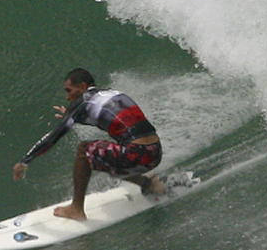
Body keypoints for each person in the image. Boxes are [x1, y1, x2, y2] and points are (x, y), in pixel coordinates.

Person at [12, 68, 164, 220]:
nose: (67, 97)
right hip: (155, 152)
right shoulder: (112, 94)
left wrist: (25, 161)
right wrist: (73, 116)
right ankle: (147, 183)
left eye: (69, 90)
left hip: (137, 154)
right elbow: (106, 119)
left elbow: (53, 137)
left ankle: (76, 209)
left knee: (85, 151)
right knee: (105, 159)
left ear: (83, 86)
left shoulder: (82, 101)